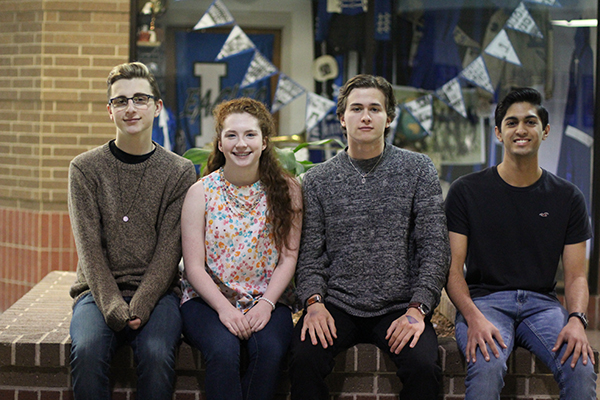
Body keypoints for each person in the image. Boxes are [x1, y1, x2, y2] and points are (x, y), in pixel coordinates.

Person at [290, 74, 451, 400]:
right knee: (302, 358)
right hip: (337, 304)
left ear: (389, 118)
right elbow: (309, 253)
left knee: (423, 367)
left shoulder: (418, 169)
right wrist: (313, 303)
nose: (365, 116)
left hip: (399, 306)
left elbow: (434, 246)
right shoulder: (318, 179)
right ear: (341, 118)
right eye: (357, 108)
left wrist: (418, 309)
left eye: (375, 109)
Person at [445, 87, 597, 400]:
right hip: (485, 302)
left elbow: (577, 275)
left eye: (530, 121)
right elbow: (452, 268)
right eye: (512, 123)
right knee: (486, 365)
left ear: (545, 131)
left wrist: (576, 320)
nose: (521, 130)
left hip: (543, 305)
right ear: (499, 133)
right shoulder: (466, 191)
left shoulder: (568, 197)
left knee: (581, 366)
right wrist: (472, 318)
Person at [68, 62, 197, 400]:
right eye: (121, 101)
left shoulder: (179, 171)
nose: (131, 108)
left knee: (156, 355)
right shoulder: (84, 168)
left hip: (158, 293)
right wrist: (112, 304)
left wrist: (141, 303)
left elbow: (171, 248)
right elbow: (89, 247)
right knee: (87, 351)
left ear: (157, 107)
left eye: (140, 99)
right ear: (110, 111)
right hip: (96, 293)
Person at [179, 98, 303, 400]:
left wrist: (267, 304)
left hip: (269, 299)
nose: (241, 143)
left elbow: (289, 256)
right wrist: (224, 308)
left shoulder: (288, 191)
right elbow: (193, 266)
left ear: (264, 142)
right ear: (220, 143)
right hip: (207, 300)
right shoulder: (200, 193)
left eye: (250, 134)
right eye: (231, 135)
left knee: (270, 351)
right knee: (223, 351)